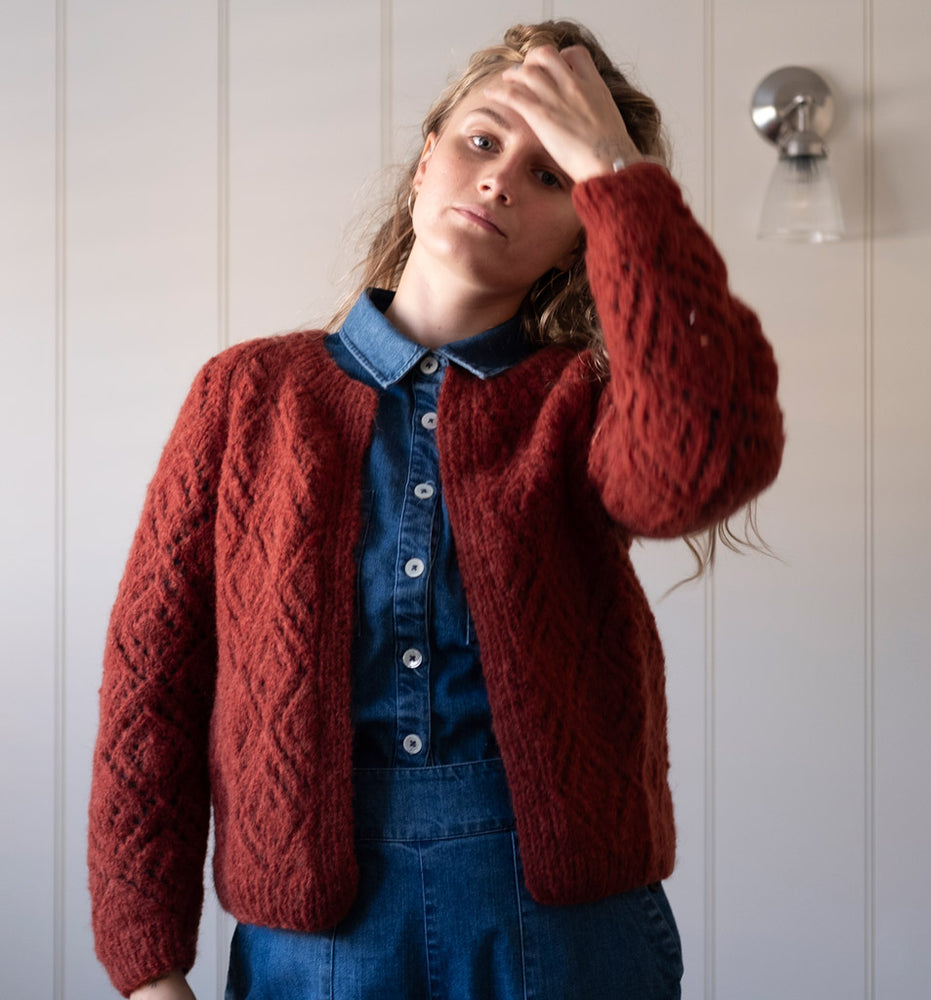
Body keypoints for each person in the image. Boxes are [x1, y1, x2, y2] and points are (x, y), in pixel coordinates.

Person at [88, 19, 783, 1000]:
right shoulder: (247, 396)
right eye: (482, 141)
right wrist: (148, 965)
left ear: (581, 235)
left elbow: (705, 458)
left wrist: (618, 175)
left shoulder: (582, 403)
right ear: (425, 162)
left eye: (552, 175)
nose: (499, 182)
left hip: (565, 929)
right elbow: (151, 687)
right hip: (314, 942)